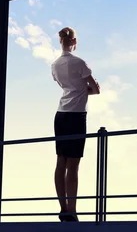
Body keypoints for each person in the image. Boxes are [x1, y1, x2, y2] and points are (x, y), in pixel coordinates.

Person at [51, 27, 100, 222]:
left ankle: (63, 209)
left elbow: (66, 88)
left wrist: (78, 90)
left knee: (60, 162)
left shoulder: (54, 65)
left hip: (60, 115)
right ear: (75, 41)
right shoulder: (80, 63)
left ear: (60, 41)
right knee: (73, 166)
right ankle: (72, 210)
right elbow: (95, 89)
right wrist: (84, 90)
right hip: (77, 116)